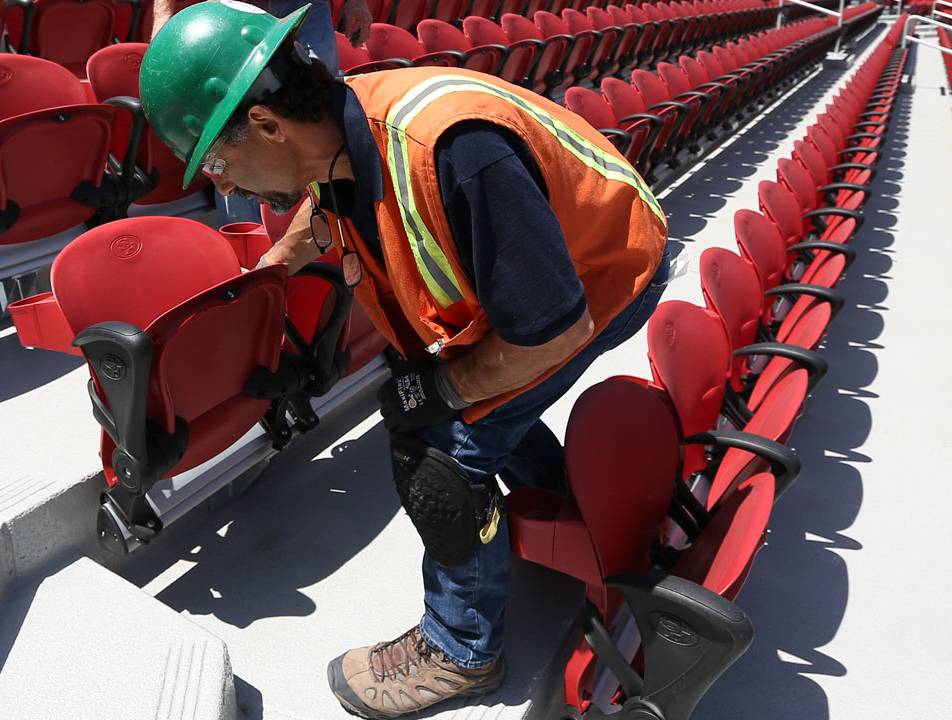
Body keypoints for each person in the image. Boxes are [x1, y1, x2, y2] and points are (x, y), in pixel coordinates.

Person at [140, 4, 679, 718]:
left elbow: (551, 330)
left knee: (435, 450)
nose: (226, 185)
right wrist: (275, 269)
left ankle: (461, 650)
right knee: (445, 402)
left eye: (217, 160)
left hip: (605, 274)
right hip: (545, 284)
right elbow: (323, 195)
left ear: (268, 125)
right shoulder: (336, 121)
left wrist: (443, 392)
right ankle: (575, 505)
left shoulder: (453, 150)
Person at [147, 0, 371, 227]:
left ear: (268, 125)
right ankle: (247, 242)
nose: (224, 190)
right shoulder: (358, 156)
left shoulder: (404, 155)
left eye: (214, 166)